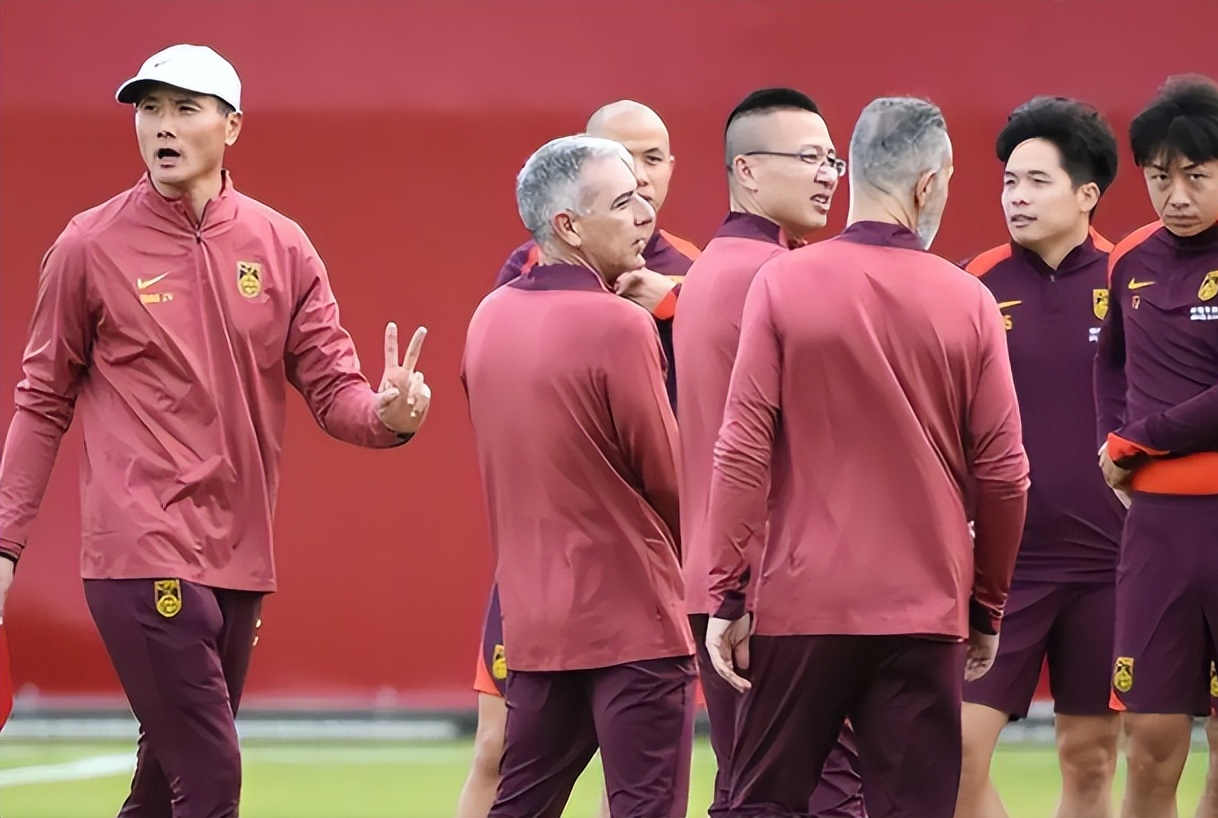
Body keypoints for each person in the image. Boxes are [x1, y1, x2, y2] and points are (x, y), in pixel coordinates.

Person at [0, 44, 430, 818]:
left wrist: (388, 417)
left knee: (163, 790)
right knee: (211, 779)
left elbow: (335, 389)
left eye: (184, 108)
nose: (161, 126)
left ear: (231, 126)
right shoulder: (87, 246)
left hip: (238, 557)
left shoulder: (281, 245)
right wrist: (3, 544)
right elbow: (41, 400)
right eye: (148, 108)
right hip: (140, 549)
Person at [701, 96, 1029, 818]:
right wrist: (987, 605)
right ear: (927, 184)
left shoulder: (782, 283)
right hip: (926, 606)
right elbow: (1005, 475)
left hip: (804, 602)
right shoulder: (970, 301)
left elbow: (742, 448)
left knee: (761, 805)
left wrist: (727, 592)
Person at [456, 100, 698, 818]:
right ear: (567, 225)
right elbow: (668, 477)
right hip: (634, 620)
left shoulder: (488, 316)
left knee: (518, 799)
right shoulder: (621, 324)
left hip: (535, 620)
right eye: (622, 202)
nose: (643, 213)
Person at [1093, 74, 1218, 818]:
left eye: (1195, 177)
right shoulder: (1128, 259)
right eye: (1158, 177)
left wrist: (1131, 442)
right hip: (1157, 531)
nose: (1175, 196)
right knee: (1147, 746)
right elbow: (1109, 368)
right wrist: (1109, 444)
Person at [673, 87, 862, 818]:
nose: (827, 175)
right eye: (809, 158)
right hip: (771, 585)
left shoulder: (713, 270)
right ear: (747, 170)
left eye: (833, 161)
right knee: (827, 796)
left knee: (747, 790)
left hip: (728, 576)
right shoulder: (772, 275)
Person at [956, 97, 1124, 818]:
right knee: (955, 754)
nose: (1015, 197)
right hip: (1002, 567)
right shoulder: (972, 283)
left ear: (1086, 194)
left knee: (1090, 760)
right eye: (1008, 182)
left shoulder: (1130, 280)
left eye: (1036, 181)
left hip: (1110, 564)